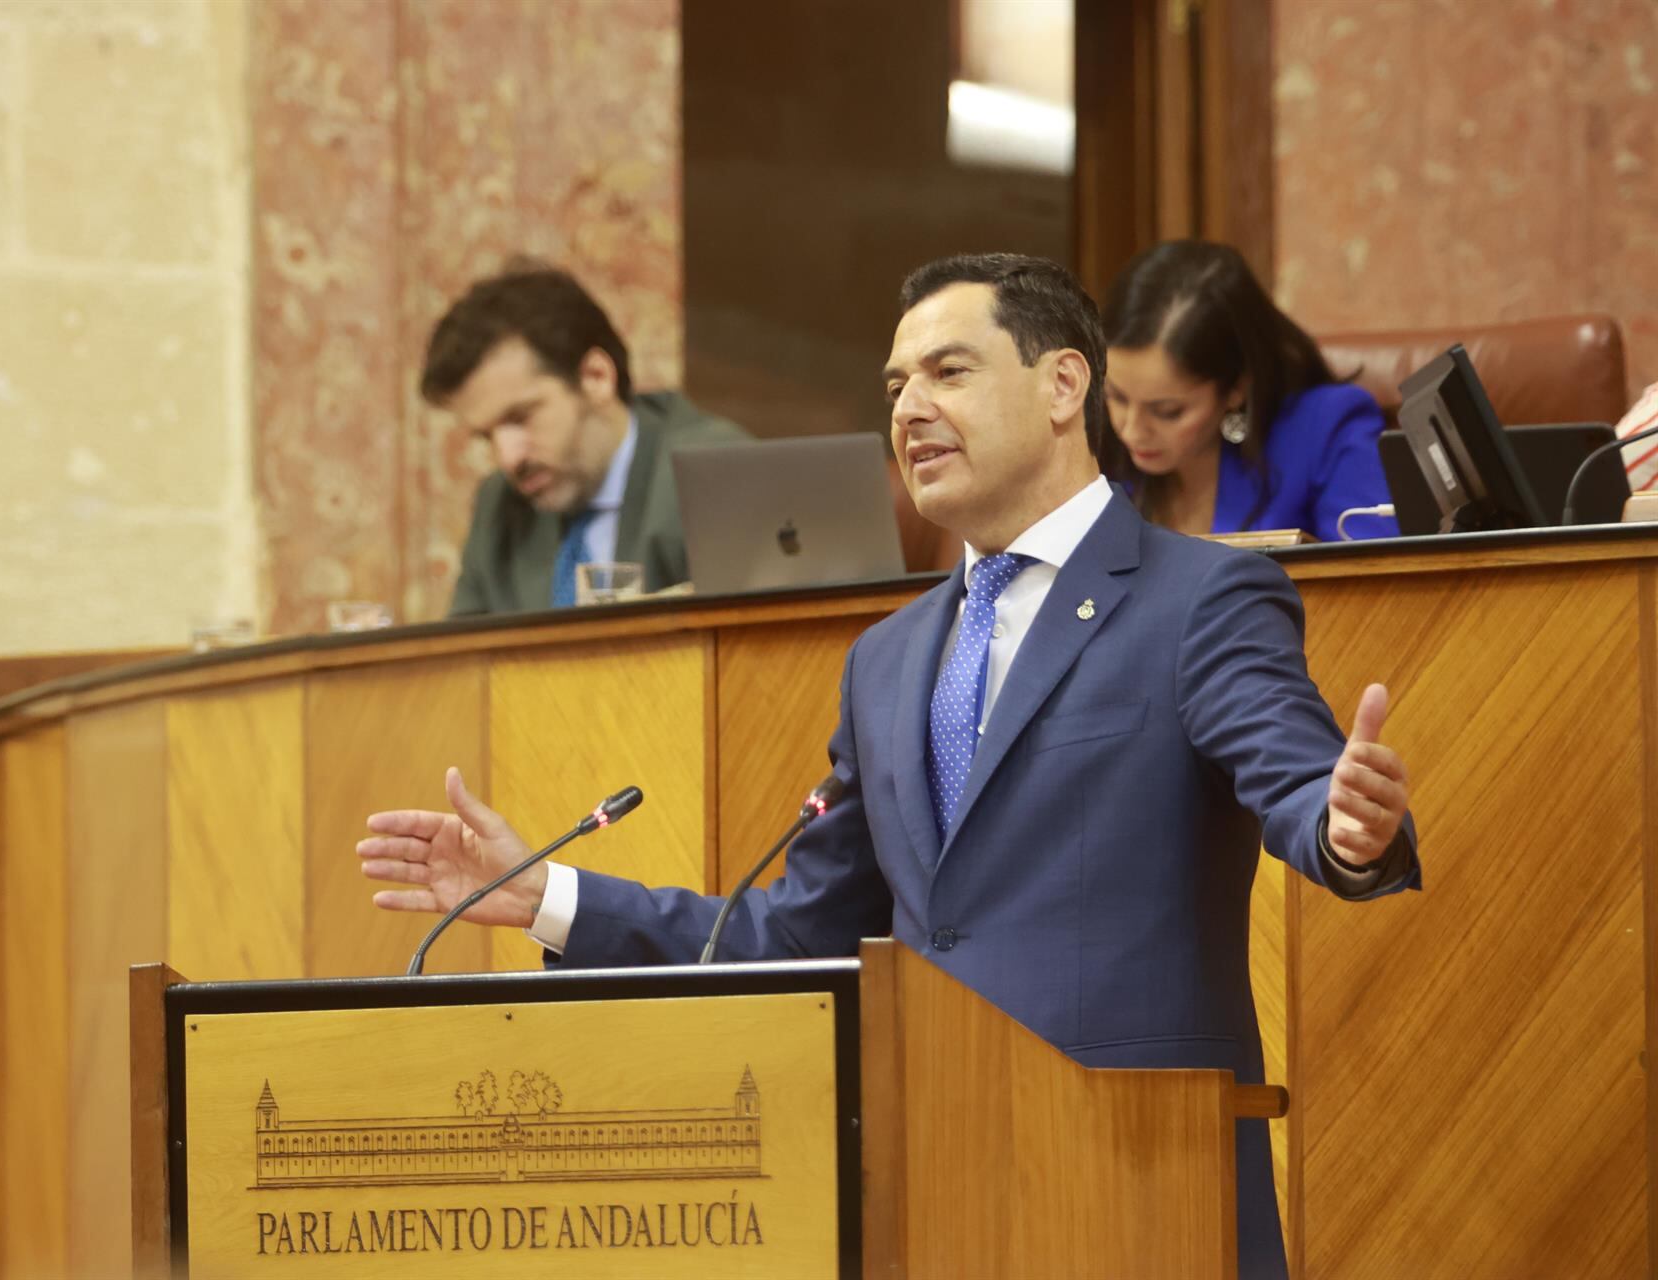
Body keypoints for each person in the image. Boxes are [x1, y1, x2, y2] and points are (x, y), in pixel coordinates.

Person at [361, 253, 1421, 1279]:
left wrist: (1344, 827)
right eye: (895, 384)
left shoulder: (1200, 597)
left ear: (1063, 385)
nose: (909, 406)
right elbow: (790, 934)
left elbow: (1295, 780)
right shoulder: (888, 658)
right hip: (924, 1186)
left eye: (949, 371)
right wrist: (546, 893)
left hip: (1133, 1179)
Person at [423, 265, 748, 616]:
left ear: (596, 377)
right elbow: (465, 666)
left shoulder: (713, 473)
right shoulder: (499, 508)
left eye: (520, 417)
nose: (508, 458)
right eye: (487, 436)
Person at [1100, 240, 1399, 542]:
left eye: (1167, 412)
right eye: (1117, 395)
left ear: (1237, 387)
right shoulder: (1085, 435)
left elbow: (1374, 577)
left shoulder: (1326, 428)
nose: (1132, 429)